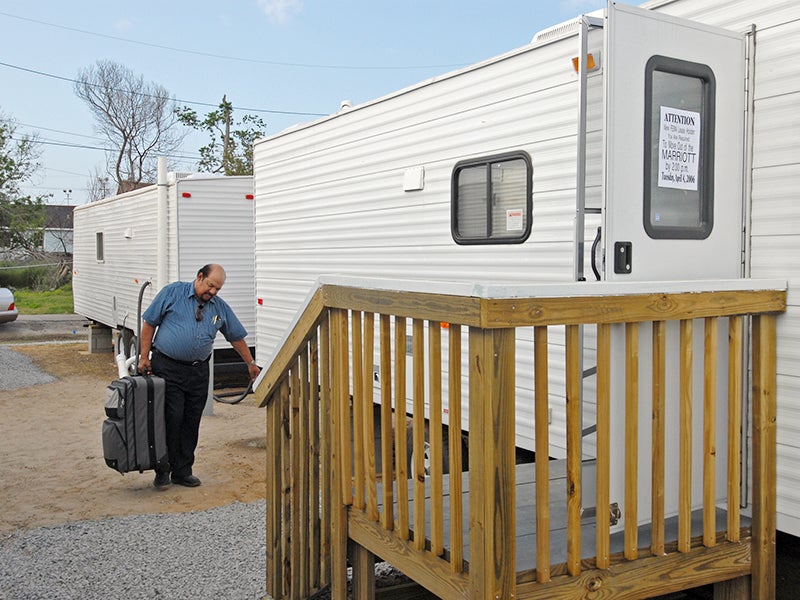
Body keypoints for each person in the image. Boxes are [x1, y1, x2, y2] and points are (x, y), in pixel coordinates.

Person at [137, 263, 260, 489]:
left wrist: (250, 363)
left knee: (191, 420)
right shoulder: (172, 293)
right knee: (171, 418)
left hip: (198, 371)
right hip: (168, 367)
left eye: (217, 289)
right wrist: (144, 357)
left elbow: (235, 336)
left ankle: (183, 471)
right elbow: (149, 324)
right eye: (211, 286)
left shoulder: (219, 307)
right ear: (200, 277)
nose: (213, 292)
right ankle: (163, 470)